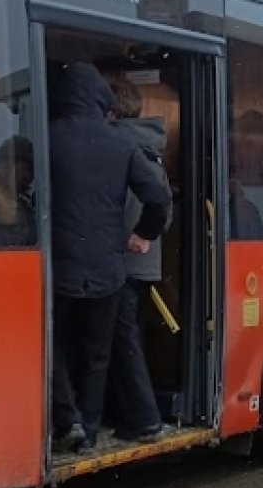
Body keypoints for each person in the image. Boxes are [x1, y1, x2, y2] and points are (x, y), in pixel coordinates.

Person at [48, 62, 172, 453]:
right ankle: (88, 426)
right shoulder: (121, 143)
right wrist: (144, 234)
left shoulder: (48, 137)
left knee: (57, 346)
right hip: (108, 269)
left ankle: (66, 421)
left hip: (61, 266)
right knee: (98, 353)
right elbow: (158, 196)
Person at [104, 73, 173, 444]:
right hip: (147, 267)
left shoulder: (121, 149)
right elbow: (167, 212)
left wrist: (136, 236)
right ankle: (130, 414)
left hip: (125, 263)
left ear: (111, 111)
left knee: (124, 343)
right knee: (132, 340)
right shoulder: (152, 150)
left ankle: (144, 419)